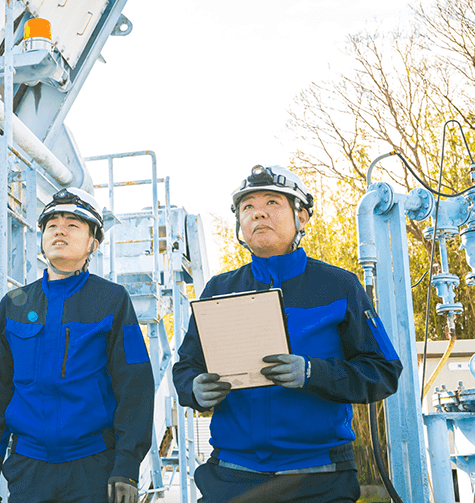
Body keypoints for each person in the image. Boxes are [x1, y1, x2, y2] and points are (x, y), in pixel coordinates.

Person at [172, 166, 403, 503]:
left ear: (302, 217)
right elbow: (186, 367)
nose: (258, 213)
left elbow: (383, 372)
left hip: (320, 476)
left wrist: (313, 372)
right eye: (247, 207)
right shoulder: (219, 290)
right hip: (233, 476)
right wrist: (193, 388)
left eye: (272, 202)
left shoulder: (340, 286)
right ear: (239, 224)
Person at [0, 187, 153, 503]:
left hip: (92, 467)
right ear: (42, 238)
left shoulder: (112, 301)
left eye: (73, 224)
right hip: (28, 470)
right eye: (52, 225)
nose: (60, 231)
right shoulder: (14, 305)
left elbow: (135, 387)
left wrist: (127, 467)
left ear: (93, 243)